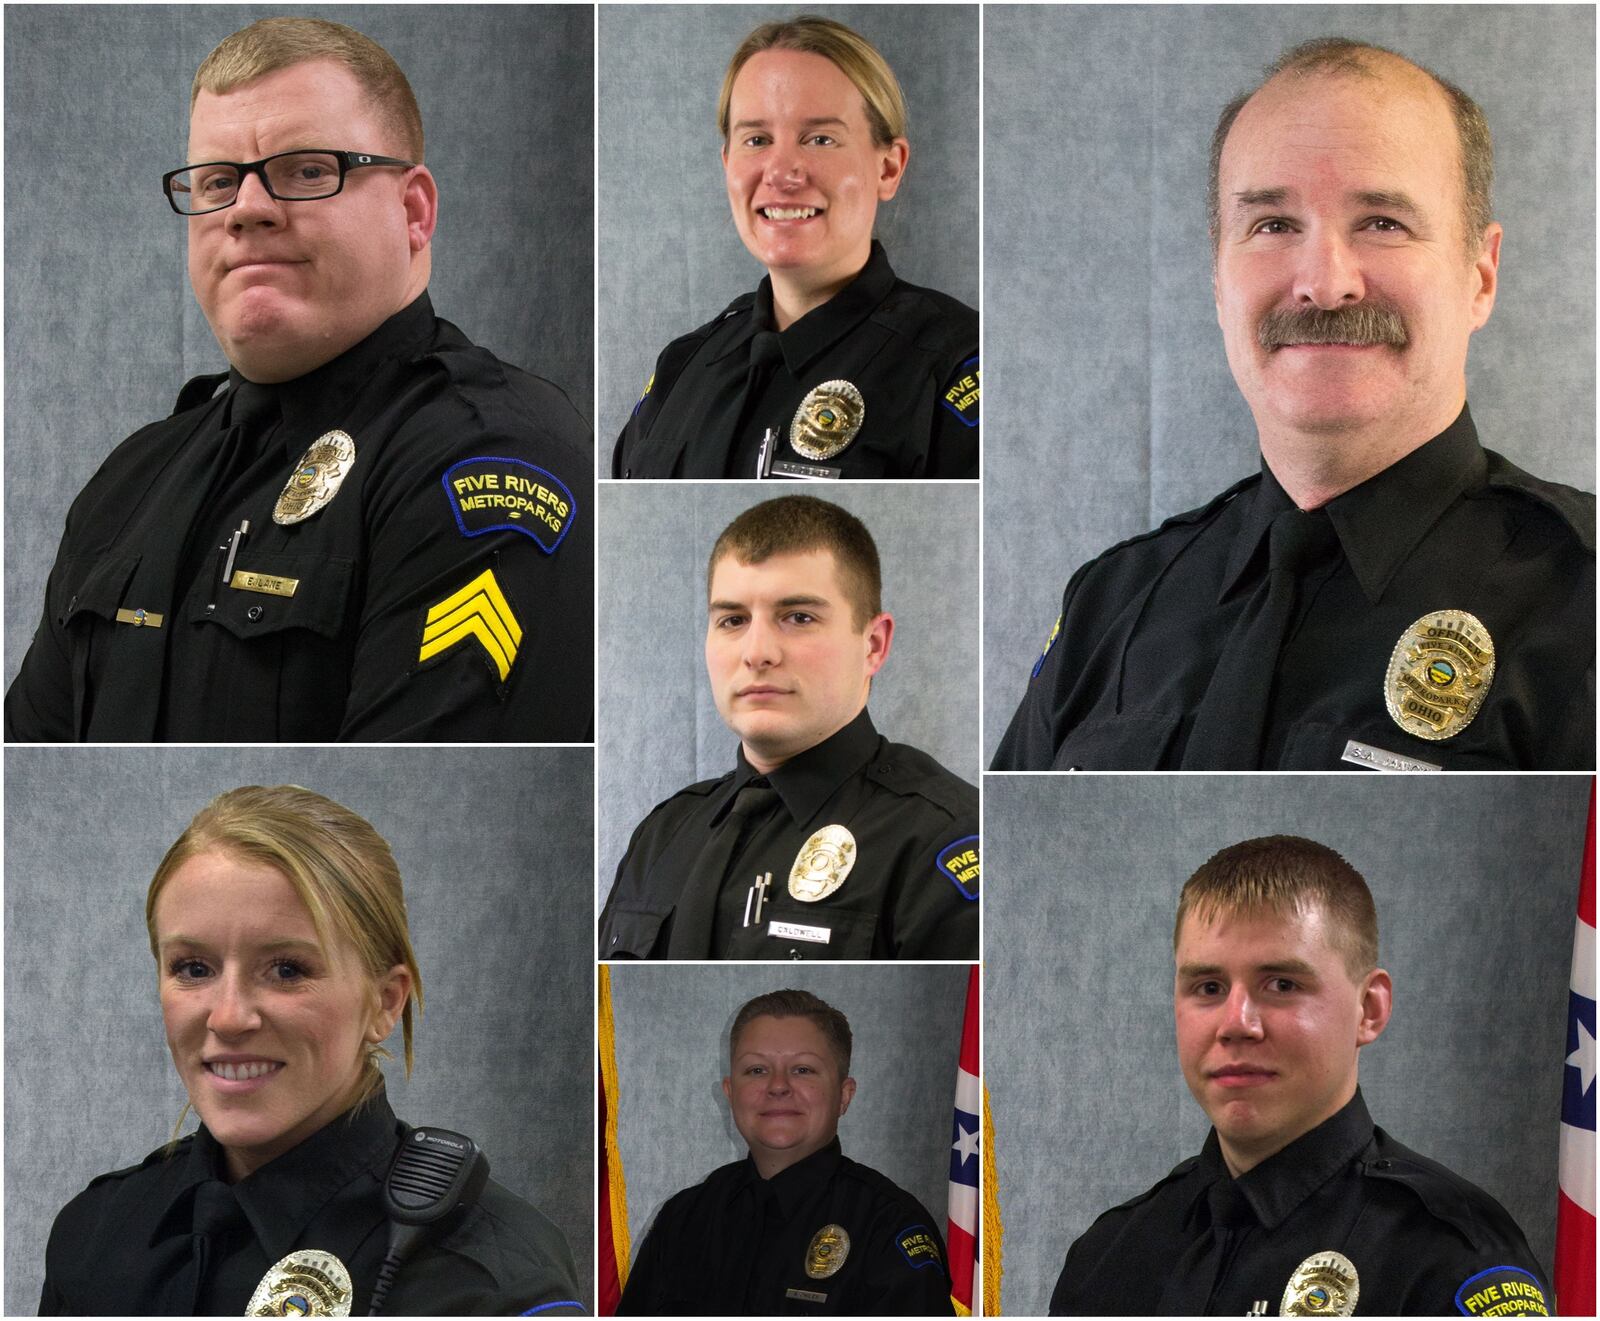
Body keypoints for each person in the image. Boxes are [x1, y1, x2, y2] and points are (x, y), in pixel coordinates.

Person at [994, 37, 1594, 771]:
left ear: (1480, 275)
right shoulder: (1111, 605)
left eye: (1383, 223)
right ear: (1219, 279)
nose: (1325, 282)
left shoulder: (1580, 602)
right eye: (1274, 225)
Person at [5, 17, 591, 742]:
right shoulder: (131, 480)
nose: (246, 209)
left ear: (413, 211)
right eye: (218, 181)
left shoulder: (488, 456)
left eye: (307, 170)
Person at [38, 785, 584, 1316]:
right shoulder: (94, 1233)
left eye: (287, 970)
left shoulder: (492, 1285)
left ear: (385, 1004)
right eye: (193, 968)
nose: (228, 1017)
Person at [1050, 835, 1550, 1316]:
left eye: (1282, 984)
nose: (1235, 1024)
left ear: (1368, 1010)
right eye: (1208, 987)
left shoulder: (1453, 1262)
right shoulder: (1109, 1255)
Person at [598, 496, 978, 960]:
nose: (757, 652)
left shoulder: (942, 838)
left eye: (798, 617)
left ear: (873, 645)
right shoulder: (662, 833)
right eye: (733, 620)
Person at [612, 15, 978, 480]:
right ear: (728, 165)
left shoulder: (954, 367)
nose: (782, 171)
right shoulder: (681, 367)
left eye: (820, 139)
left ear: (888, 168)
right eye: (757, 140)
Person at [620, 989, 954, 1316]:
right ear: (730, 1092)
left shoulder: (888, 1226)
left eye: (803, 1069)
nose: (778, 1086)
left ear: (844, 1095)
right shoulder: (685, 1218)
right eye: (756, 1070)